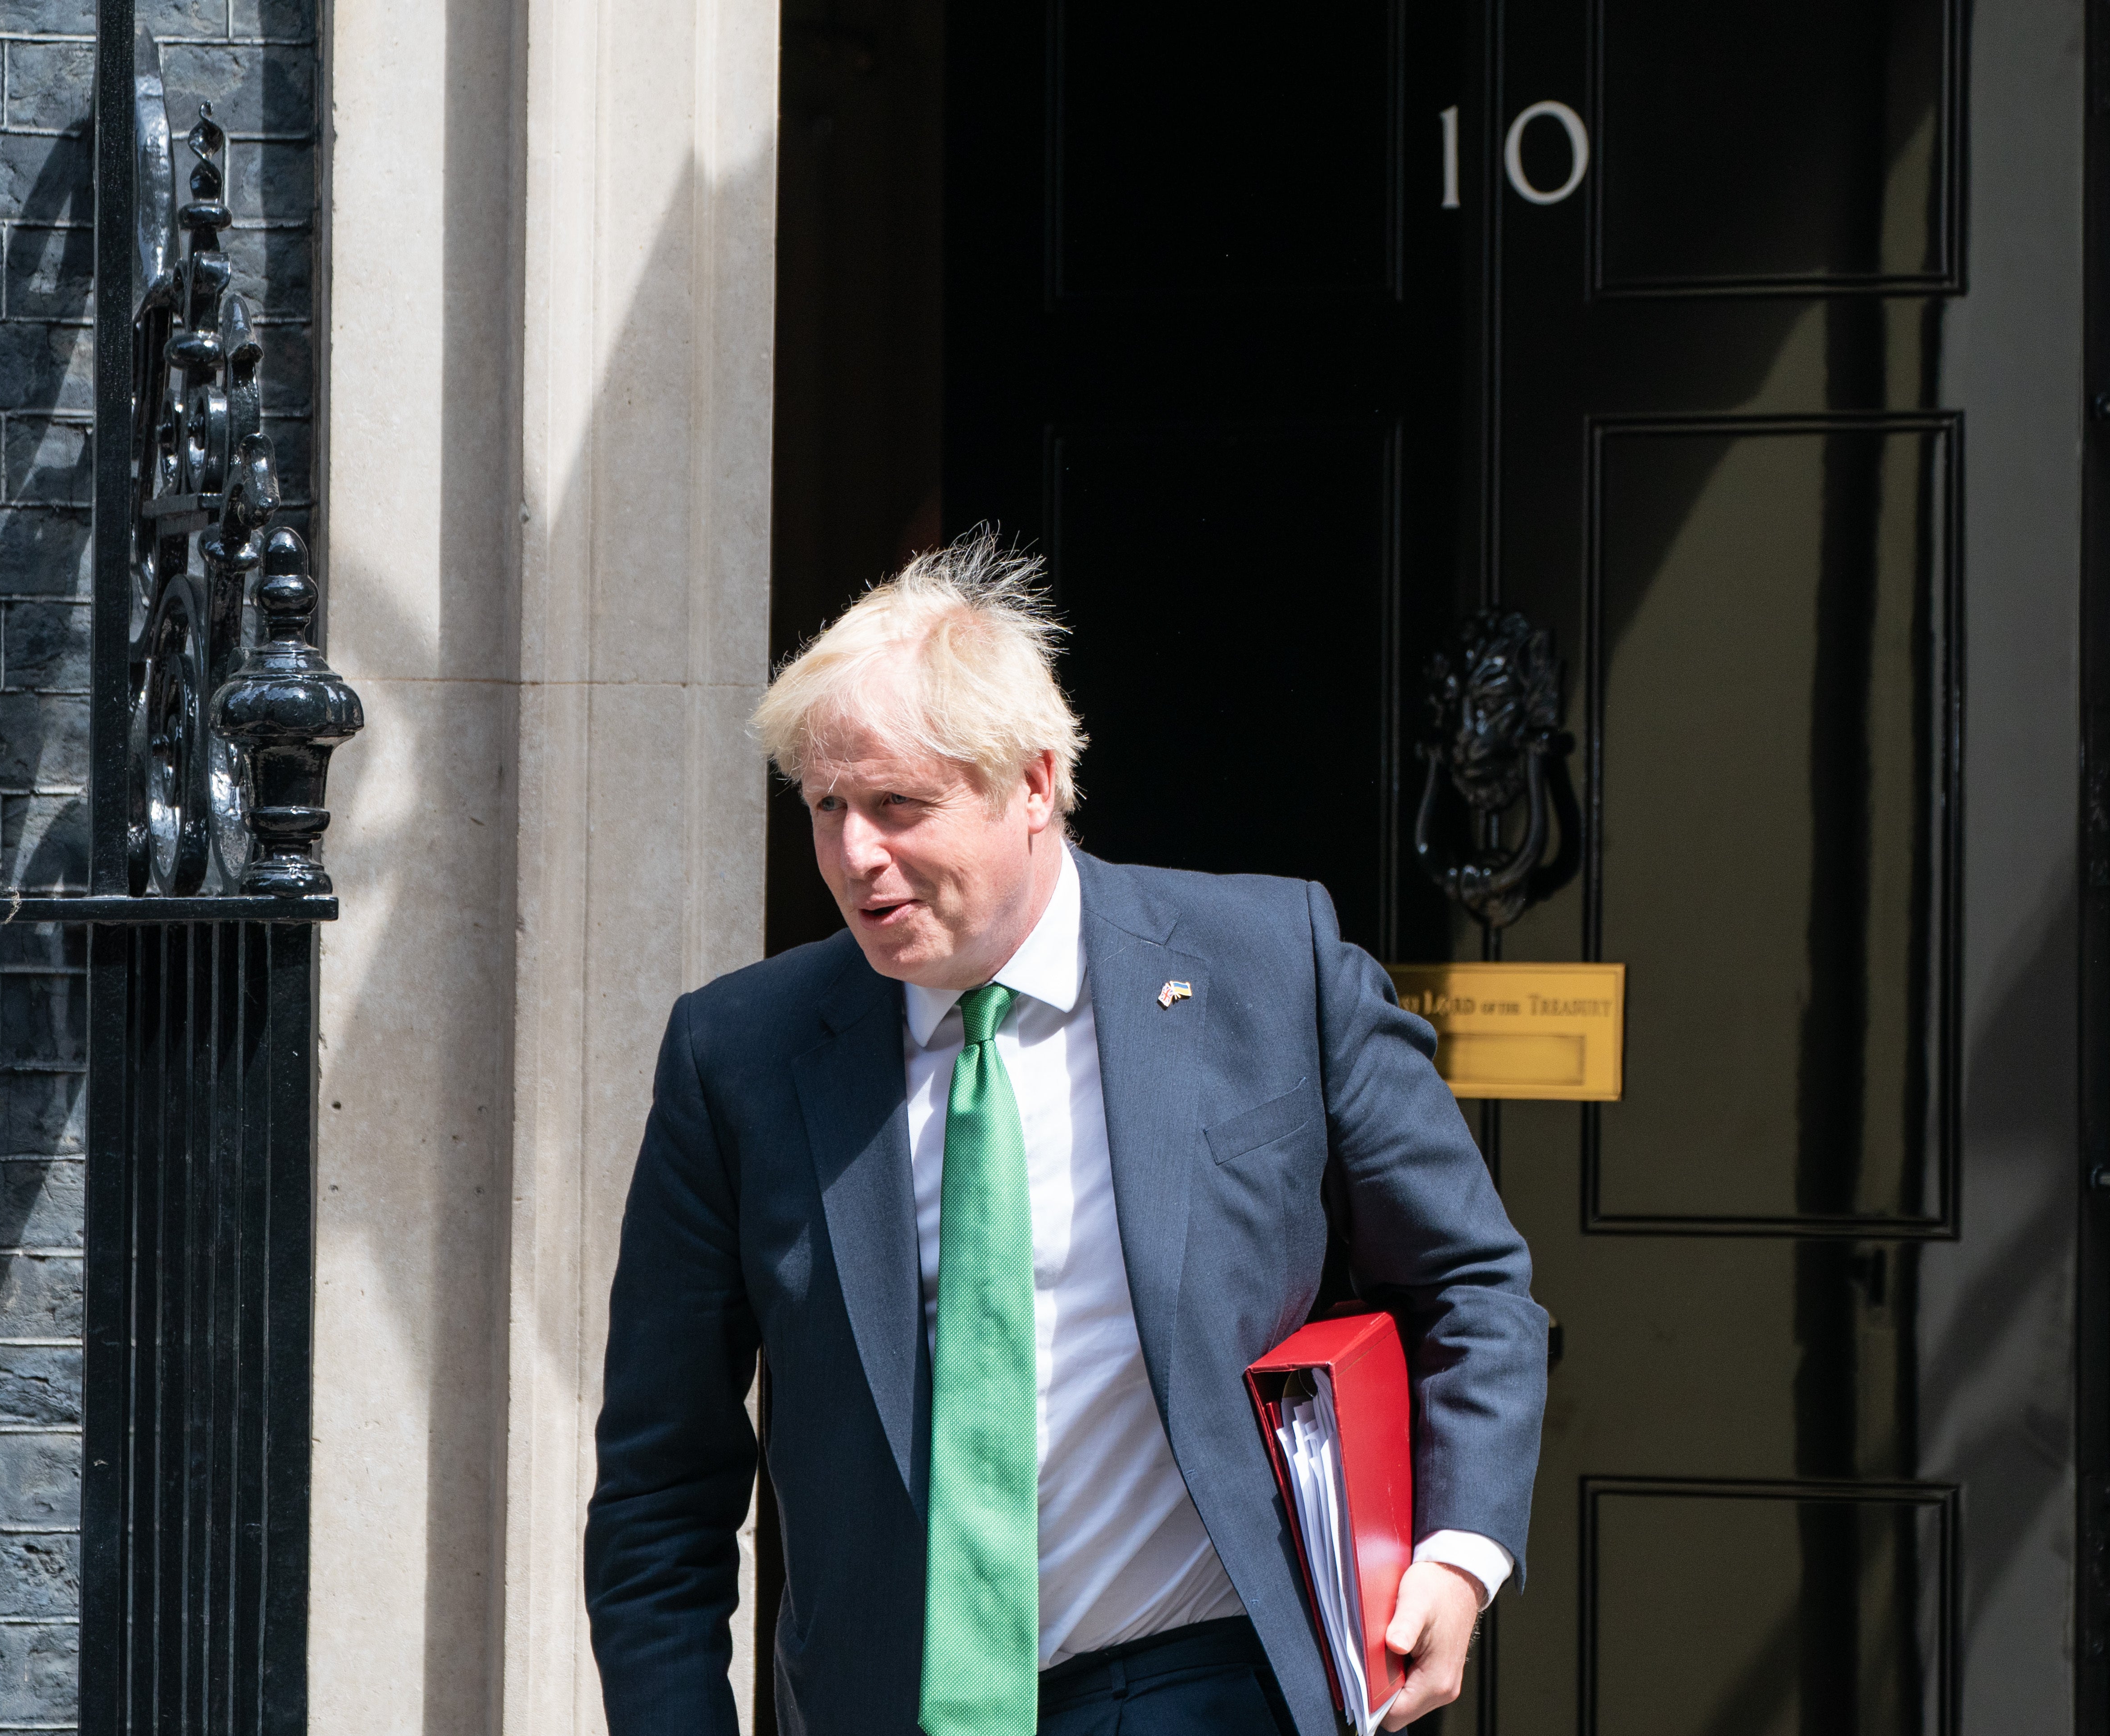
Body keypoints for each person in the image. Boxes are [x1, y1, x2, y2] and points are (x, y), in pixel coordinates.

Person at [584, 532, 1548, 1736]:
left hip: (1214, 1680)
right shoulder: (741, 1054)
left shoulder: (1268, 968)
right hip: (890, 1704)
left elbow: (1472, 1285)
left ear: (1034, 784)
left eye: (899, 806)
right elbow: (661, 1483)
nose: (853, 856)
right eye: (827, 808)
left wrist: (1459, 1556)